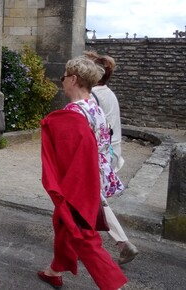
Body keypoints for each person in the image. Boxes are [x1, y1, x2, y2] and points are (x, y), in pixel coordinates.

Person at [38, 56, 128, 290]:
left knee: (81, 232)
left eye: (64, 78)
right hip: (94, 176)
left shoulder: (73, 114)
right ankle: (54, 271)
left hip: (80, 180)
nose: (63, 82)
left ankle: (114, 285)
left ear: (74, 79)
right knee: (63, 223)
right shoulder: (94, 107)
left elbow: (70, 159)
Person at [85, 51, 139, 265]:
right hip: (112, 153)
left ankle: (122, 243)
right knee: (93, 199)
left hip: (100, 155)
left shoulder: (92, 96)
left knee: (95, 200)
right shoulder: (108, 93)